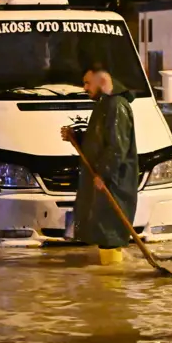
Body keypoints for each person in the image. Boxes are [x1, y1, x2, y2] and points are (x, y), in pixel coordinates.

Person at [61, 69, 139, 266]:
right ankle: (108, 277)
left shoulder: (116, 106)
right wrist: (77, 137)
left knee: (110, 235)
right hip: (105, 181)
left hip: (113, 184)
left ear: (102, 80)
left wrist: (103, 174)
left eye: (88, 82)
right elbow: (99, 141)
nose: (84, 88)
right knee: (104, 234)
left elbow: (117, 147)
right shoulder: (105, 105)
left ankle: (112, 279)